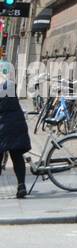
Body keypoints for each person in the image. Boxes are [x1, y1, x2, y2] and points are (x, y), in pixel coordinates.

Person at [0, 60, 32, 199]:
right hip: (17, 126)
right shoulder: (10, 86)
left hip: (2, 128)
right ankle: (21, 185)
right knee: (17, 156)